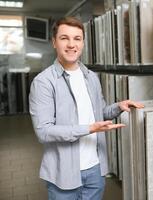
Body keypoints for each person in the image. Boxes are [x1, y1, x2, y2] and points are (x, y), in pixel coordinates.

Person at [29, 16, 144, 200]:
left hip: (95, 170)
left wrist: (119, 107)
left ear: (83, 43)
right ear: (54, 42)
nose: (71, 44)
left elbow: (99, 113)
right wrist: (90, 128)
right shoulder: (44, 82)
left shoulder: (90, 77)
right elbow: (44, 131)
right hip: (63, 174)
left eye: (77, 38)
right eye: (64, 38)